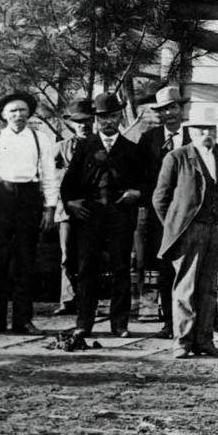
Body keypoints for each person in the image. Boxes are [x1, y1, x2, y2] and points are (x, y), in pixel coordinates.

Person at [0, 89, 57, 336]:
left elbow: (50, 176)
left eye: (23, 110)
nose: (19, 115)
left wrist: (49, 208)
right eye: (13, 111)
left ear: (29, 113)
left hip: (29, 201)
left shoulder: (40, 139)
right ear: (4, 115)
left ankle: (23, 320)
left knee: (26, 262)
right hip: (0, 200)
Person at [59, 92, 145, 338]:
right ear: (96, 119)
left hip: (120, 219)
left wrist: (136, 193)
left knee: (121, 270)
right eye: (103, 117)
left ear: (120, 116)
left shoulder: (131, 149)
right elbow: (68, 184)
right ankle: (84, 322)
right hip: (89, 219)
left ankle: (120, 324)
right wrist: (71, 203)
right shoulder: (85, 147)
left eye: (113, 116)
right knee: (87, 270)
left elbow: (146, 183)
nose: (108, 121)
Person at [153, 120, 218, 359]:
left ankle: (204, 341)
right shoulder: (177, 158)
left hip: (215, 229)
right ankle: (182, 342)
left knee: (209, 290)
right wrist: (176, 226)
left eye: (211, 129)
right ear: (190, 131)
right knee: (186, 288)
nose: (206, 134)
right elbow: (160, 198)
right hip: (189, 232)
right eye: (201, 129)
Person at [137, 86, 191, 338]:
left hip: (189, 216)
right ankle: (169, 323)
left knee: (190, 270)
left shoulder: (195, 136)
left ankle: (195, 325)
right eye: (163, 109)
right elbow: (142, 179)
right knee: (164, 268)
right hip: (159, 217)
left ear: (182, 108)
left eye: (173, 107)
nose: (169, 113)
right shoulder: (149, 139)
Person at [51, 98, 93, 316]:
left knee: (88, 257)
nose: (83, 125)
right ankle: (67, 299)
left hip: (92, 210)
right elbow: (48, 176)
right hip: (66, 210)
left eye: (87, 120)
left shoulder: (100, 145)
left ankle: (87, 301)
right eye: (78, 121)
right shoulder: (61, 147)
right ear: (71, 124)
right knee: (67, 256)